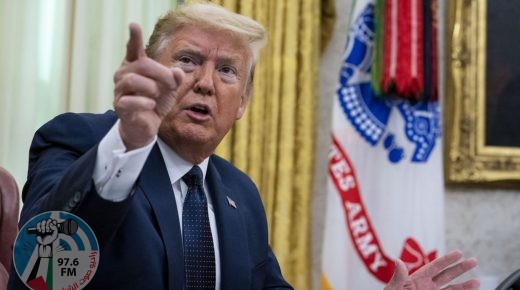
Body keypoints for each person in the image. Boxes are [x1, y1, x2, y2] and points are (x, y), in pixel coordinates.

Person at [8, 2, 479, 290]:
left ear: (243, 104)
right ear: (146, 72)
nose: (205, 84)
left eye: (227, 71)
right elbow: (42, 276)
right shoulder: (77, 139)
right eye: (187, 61)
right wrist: (127, 144)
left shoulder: (239, 194)